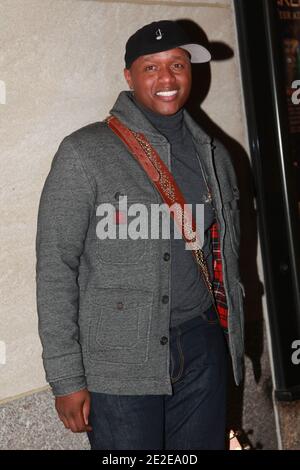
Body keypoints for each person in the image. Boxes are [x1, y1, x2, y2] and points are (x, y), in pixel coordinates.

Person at [36, 20, 245, 450]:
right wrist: (65, 377)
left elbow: (225, 255)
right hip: (119, 362)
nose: (167, 79)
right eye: (151, 68)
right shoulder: (84, 152)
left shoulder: (214, 153)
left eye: (177, 64)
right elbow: (55, 269)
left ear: (191, 72)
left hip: (202, 346)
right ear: (129, 76)